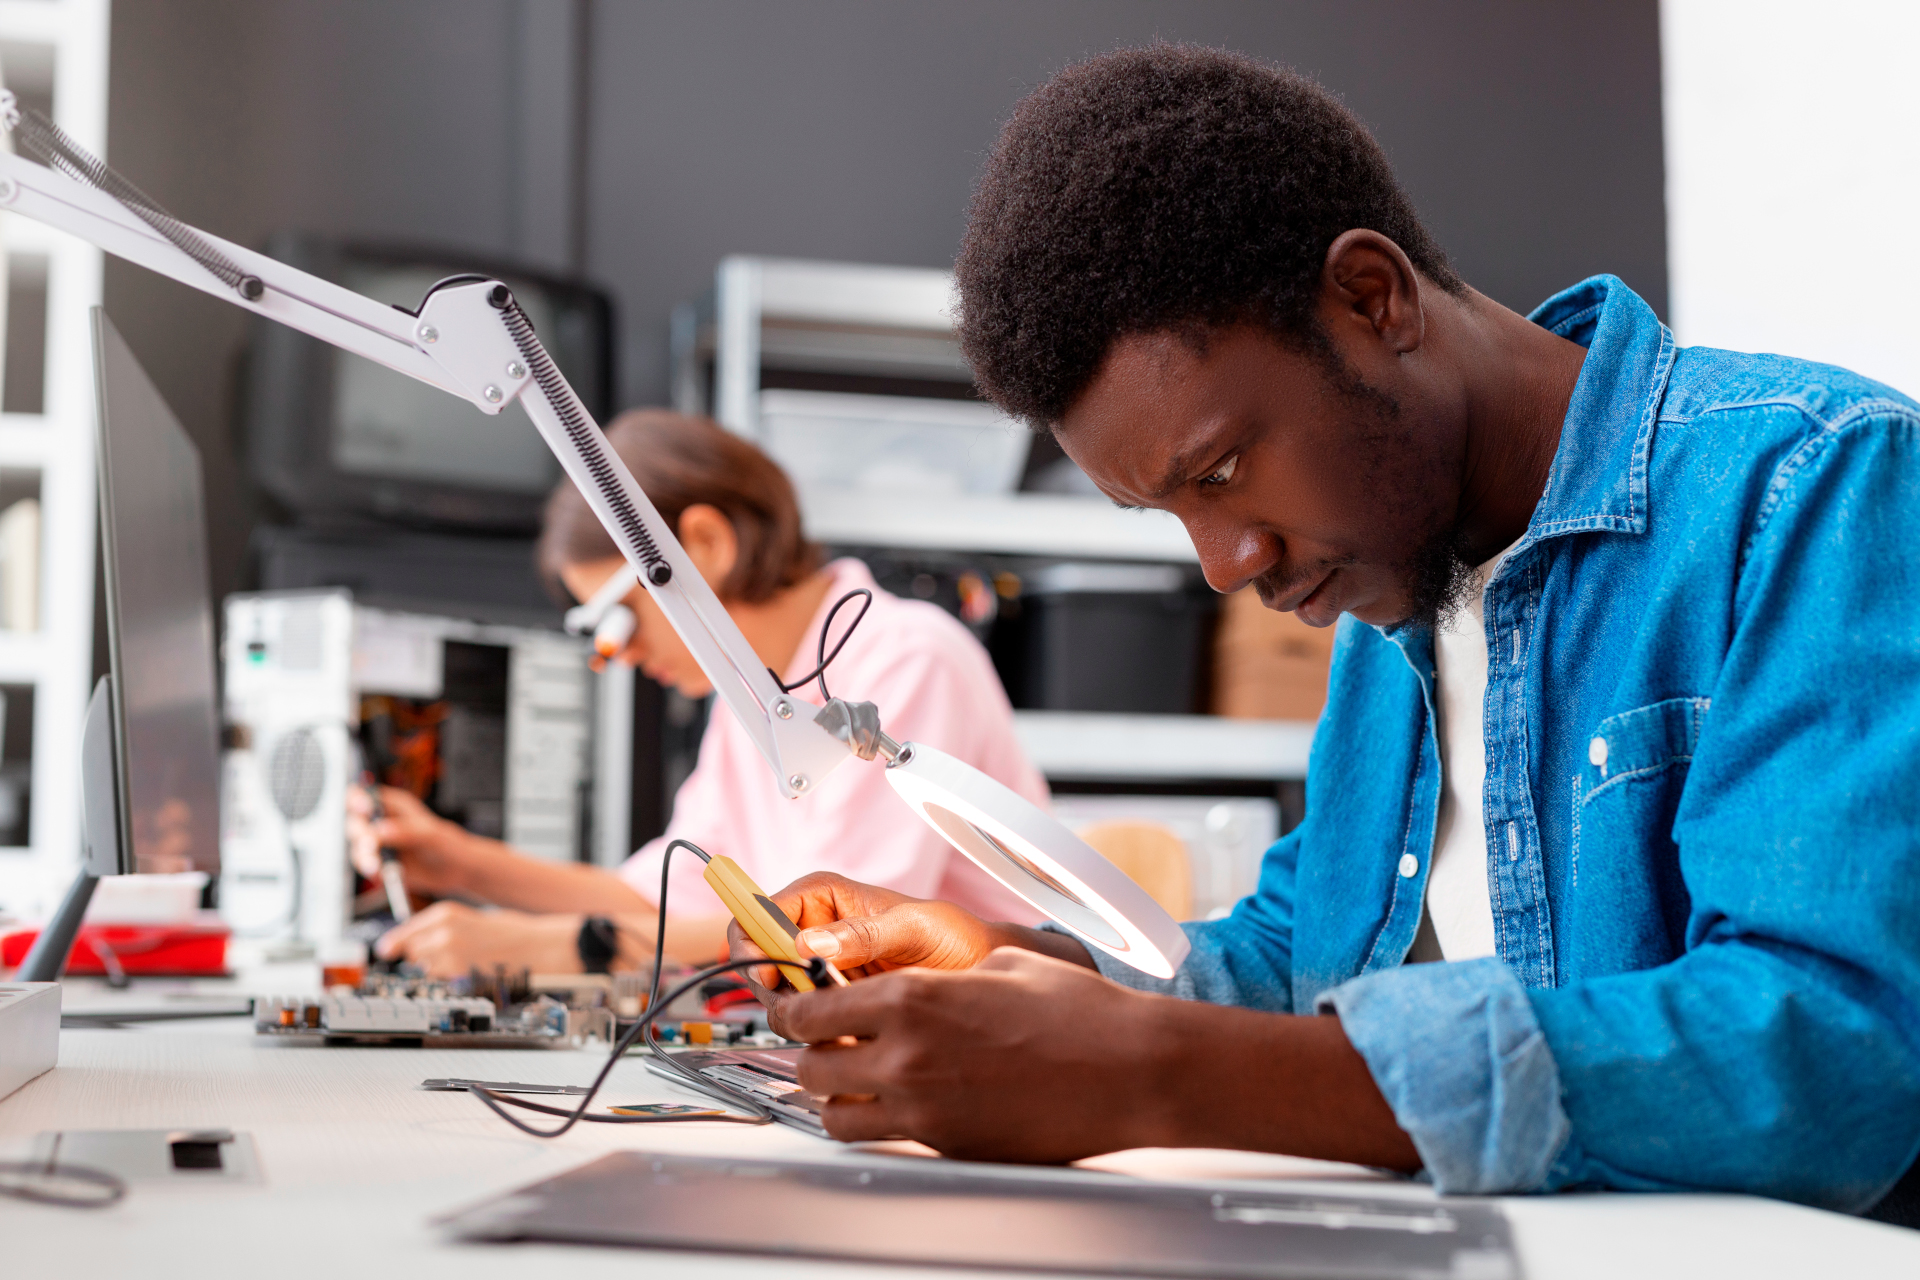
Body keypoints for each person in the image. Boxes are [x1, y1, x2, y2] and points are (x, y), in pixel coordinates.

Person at [733, 46, 1920, 1222]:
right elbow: (1306, 947)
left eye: (1225, 468)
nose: (1225, 562)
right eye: (1172, 512)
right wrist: (1028, 964)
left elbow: (1832, 1047)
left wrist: (1156, 1073)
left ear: (1372, 298)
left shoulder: (1813, 484)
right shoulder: (1393, 590)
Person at [353, 409, 1045, 976]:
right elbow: (664, 896)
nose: (616, 656)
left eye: (616, 620)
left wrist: (563, 949)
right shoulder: (754, 700)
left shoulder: (908, 658)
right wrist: (456, 861)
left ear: (706, 544)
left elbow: (836, 935)